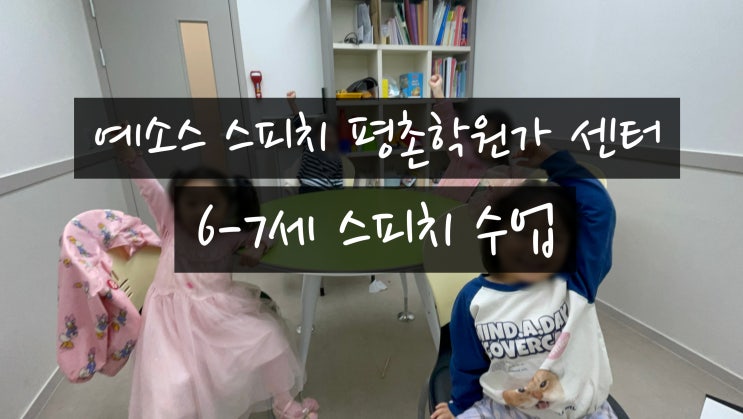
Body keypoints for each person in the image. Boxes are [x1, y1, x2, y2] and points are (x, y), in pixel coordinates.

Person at [115, 142, 319, 419]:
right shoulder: (172, 224)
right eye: (191, 202)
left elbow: (265, 230)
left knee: (269, 338)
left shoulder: (231, 232)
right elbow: (150, 189)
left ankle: (283, 403)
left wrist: (257, 247)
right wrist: (131, 158)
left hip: (218, 316)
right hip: (168, 325)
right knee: (172, 386)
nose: (200, 211)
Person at [432, 142, 617, 419]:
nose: (539, 245)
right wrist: (460, 405)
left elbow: (600, 210)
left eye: (552, 236)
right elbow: (467, 365)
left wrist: (554, 161)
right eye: (523, 231)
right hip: (506, 407)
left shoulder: (576, 281)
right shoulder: (473, 300)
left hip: (579, 409)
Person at [429, 75, 532, 202]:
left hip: (469, 214)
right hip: (440, 208)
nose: (486, 141)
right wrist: (438, 91)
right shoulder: (462, 153)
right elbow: (449, 122)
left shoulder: (503, 173)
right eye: (481, 135)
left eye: (494, 136)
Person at [286, 90, 344, 194]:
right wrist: (292, 102)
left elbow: (339, 185)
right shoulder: (310, 145)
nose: (327, 138)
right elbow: (300, 123)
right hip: (307, 192)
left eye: (331, 135)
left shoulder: (336, 160)